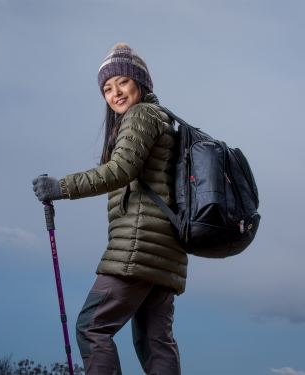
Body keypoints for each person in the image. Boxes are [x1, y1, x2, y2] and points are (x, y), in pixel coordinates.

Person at [32, 43, 187, 375]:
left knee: (91, 326)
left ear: (140, 83)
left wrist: (60, 187)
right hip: (165, 252)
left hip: (139, 247)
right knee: (155, 342)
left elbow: (119, 171)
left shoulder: (142, 115)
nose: (115, 92)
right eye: (107, 88)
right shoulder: (162, 119)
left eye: (122, 82)